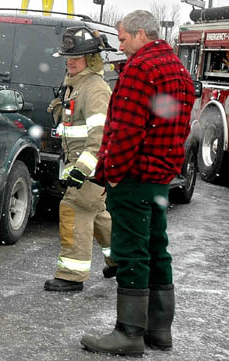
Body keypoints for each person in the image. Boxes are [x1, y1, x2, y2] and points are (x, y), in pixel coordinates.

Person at [80, 10, 195, 357]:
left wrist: (111, 172)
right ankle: (159, 331)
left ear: (142, 34)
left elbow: (126, 130)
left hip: (133, 177)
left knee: (131, 252)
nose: (121, 44)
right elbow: (181, 127)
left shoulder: (140, 70)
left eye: (124, 38)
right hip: (159, 178)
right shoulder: (177, 69)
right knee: (157, 250)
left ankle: (128, 333)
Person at [44, 27, 118, 292]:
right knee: (97, 214)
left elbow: (100, 137)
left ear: (93, 59)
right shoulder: (76, 86)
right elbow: (73, 128)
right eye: (68, 56)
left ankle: (71, 275)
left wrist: (82, 170)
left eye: (78, 56)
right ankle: (120, 260)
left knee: (73, 209)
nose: (70, 61)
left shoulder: (94, 89)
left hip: (88, 169)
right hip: (83, 166)